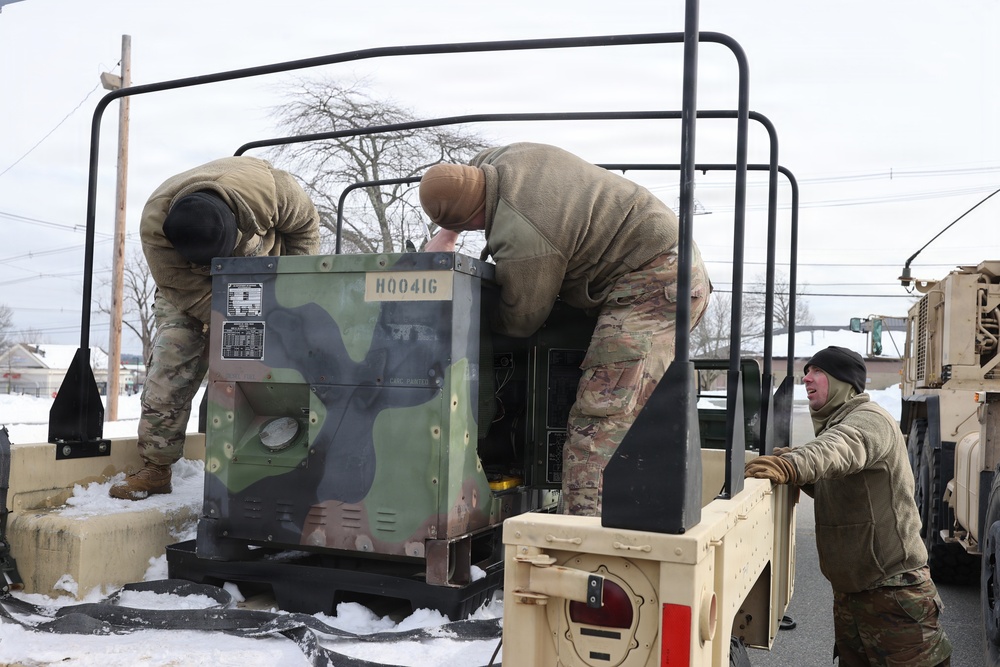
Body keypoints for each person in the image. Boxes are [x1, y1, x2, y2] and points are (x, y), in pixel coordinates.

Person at [418, 142, 711, 516]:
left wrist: (476, 323)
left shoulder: (527, 236)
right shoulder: (498, 160)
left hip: (655, 280)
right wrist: (447, 234)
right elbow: (461, 182)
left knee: (598, 422)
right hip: (656, 260)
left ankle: (580, 540)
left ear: (473, 217)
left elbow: (521, 320)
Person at [109, 156, 320, 501]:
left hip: (265, 277)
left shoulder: (271, 191)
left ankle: (281, 462)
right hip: (190, 289)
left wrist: (294, 294)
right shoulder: (155, 225)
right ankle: (156, 467)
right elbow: (186, 291)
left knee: (288, 360)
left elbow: (306, 230)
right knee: (171, 362)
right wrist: (242, 326)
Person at [744, 346, 952, 666]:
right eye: (807, 371)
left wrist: (792, 466)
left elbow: (840, 448)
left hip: (894, 594)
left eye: (817, 372)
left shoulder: (869, 419)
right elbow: (835, 475)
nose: (807, 378)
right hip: (852, 598)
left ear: (842, 382)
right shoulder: (836, 425)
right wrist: (793, 462)